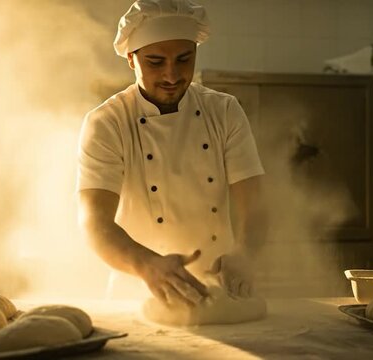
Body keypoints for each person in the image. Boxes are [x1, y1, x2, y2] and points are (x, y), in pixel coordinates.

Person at [77, 0, 267, 308]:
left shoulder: (224, 111)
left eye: (184, 59)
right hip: (138, 292)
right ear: (131, 59)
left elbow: (255, 203)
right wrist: (147, 265)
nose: (171, 75)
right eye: (155, 62)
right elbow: (94, 221)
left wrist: (245, 251)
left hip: (218, 291)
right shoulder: (107, 122)